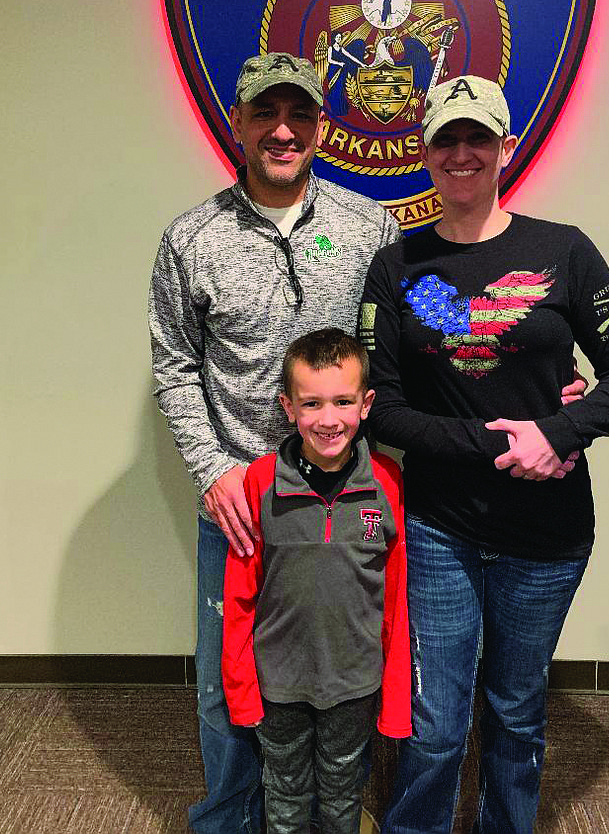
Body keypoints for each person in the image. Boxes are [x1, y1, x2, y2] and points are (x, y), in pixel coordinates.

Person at [358, 75, 609, 834]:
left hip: (548, 534)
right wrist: (505, 440)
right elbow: (383, 408)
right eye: (447, 140)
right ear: (424, 153)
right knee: (436, 723)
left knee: (517, 715)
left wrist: (559, 432)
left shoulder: (564, 251)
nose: (462, 154)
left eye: (477, 138)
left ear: (506, 147)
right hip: (438, 528)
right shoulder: (401, 268)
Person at [148, 52, 400, 834]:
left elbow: (416, 333)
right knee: (230, 684)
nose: (282, 131)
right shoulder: (191, 238)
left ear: (322, 126)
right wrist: (215, 471)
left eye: (299, 115)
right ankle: (230, 818)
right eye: (265, 114)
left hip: (346, 500)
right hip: (242, 506)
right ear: (239, 123)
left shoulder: (370, 226)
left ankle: (337, 814)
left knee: (352, 673)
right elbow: (174, 364)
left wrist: (534, 363)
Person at [222, 328, 411, 834]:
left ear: (366, 404)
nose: (328, 419)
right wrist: (241, 690)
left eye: (343, 401)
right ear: (288, 407)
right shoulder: (258, 483)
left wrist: (394, 698)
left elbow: (395, 602)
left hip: (354, 681)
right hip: (279, 681)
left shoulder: (388, 482)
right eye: (312, 404)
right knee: (283, 791)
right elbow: (239, 598)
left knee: (343, 788)